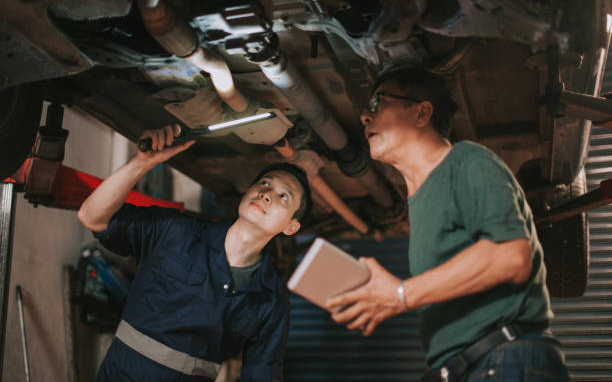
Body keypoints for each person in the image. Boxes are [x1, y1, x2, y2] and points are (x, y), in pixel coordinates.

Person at [325, 68, 570, 381]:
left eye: (377, 103)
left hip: (506, 361)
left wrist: (401, 294)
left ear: (422, 112)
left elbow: (510, 257)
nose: (363, 117)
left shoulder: (468, 161)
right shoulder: (419, 198)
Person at [78, 124, 312, 382]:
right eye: (264, 183)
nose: (267, 194)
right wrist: (142, 163)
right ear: (247, 191)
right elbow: (92, 217)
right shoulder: (176, 231)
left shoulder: (270, 301)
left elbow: (262, 376)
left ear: (291, 226)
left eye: (283, 196)